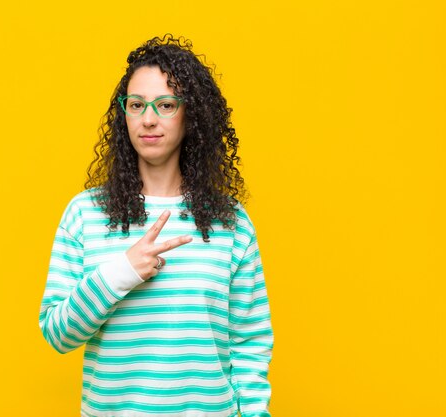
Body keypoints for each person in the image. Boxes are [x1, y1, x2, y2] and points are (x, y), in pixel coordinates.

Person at [39, 34, 273, 417]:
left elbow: (249, 342)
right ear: (124, 114)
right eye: (136, 105)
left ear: (190, 114)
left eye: (165, 105)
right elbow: (58, 334)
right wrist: (121, 271)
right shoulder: (85, 214)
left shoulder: (230, 223)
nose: (148, 119)